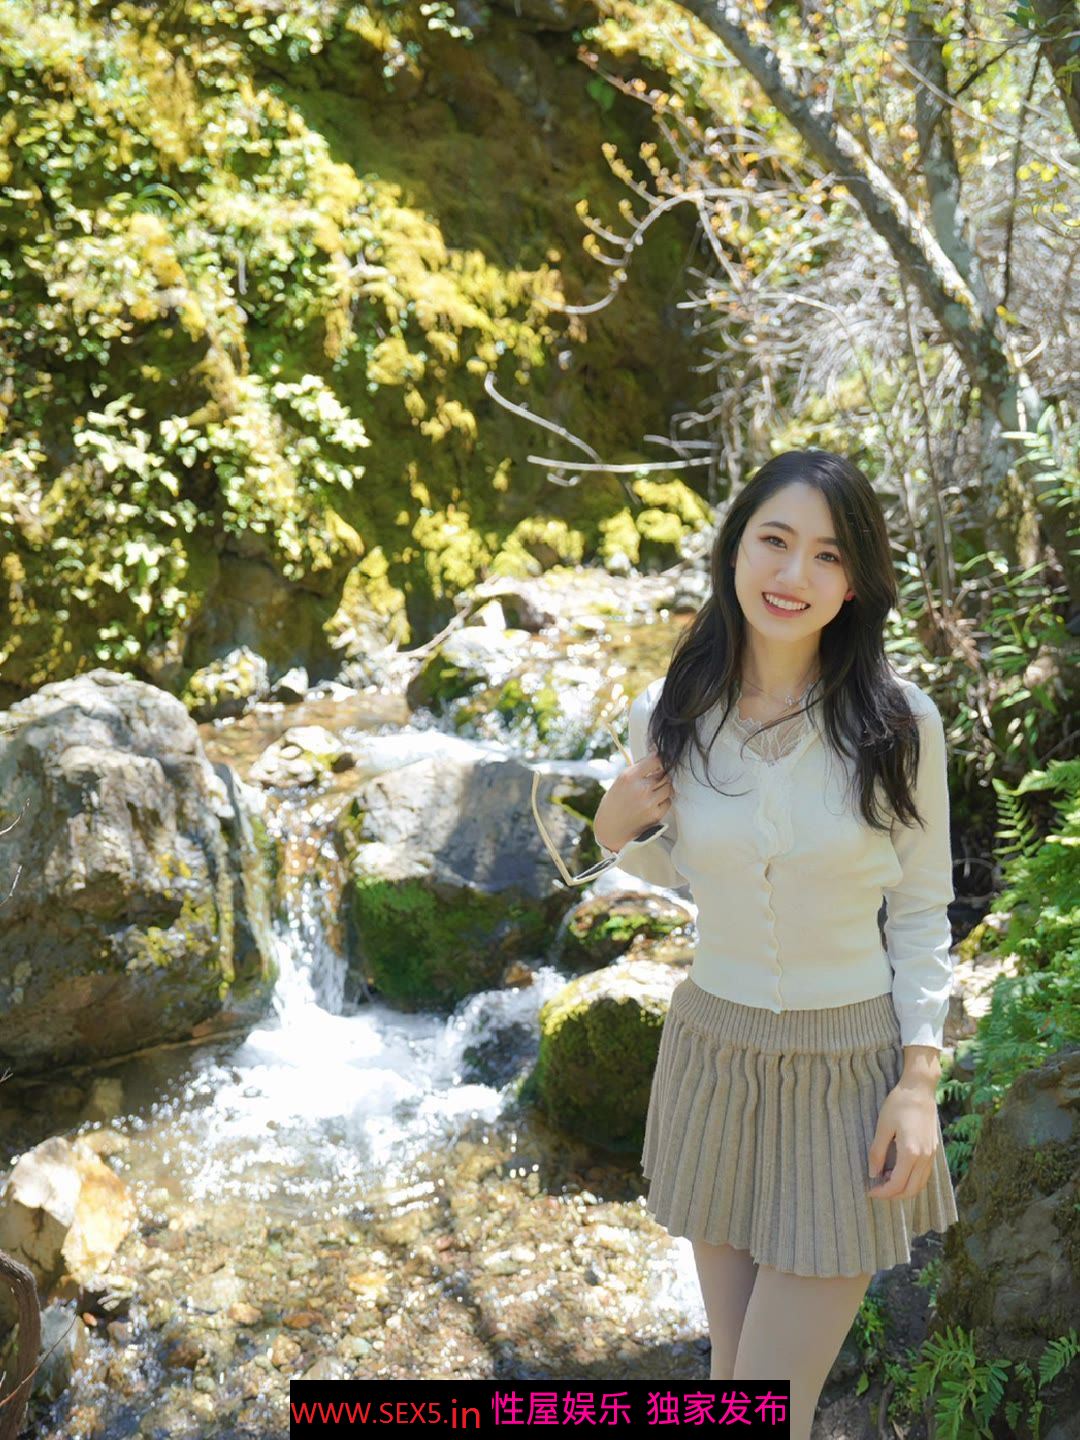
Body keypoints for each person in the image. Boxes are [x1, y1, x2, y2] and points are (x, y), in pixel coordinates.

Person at [592, 449, 959, 1439]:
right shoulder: (671, 714)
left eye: (828, 555)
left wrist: (917, 1079)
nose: (794, 575)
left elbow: (922, 912)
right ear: (735, 550)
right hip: (718, 1058)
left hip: (847, 1076)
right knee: (734, 1388)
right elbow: (681, 868)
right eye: (776, 541)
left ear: (855, 583)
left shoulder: (900, 725)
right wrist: (611, 829)